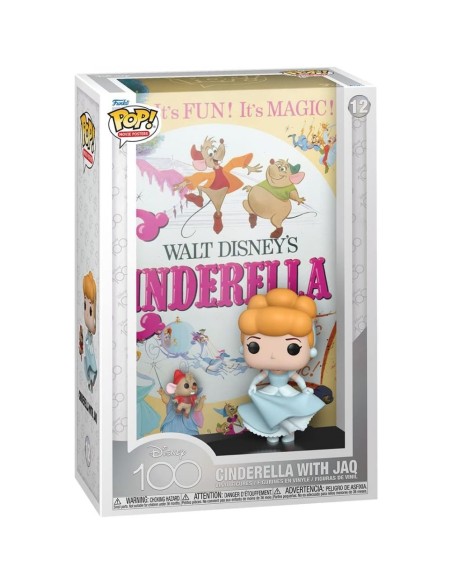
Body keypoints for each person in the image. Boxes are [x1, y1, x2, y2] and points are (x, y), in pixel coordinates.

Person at [238, 288, 325, 445]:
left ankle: (288, 433)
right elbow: (261, 376)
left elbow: (297, 378)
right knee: (268, 414)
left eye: (293, 348)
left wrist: (304, 389)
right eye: (254, 347)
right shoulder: (268, 371)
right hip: (270, 394)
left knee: (289, 415)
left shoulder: (289, 372)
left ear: (310, 349)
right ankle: (272, 434)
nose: (273, 356)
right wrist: (252, 386)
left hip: (286, 393)